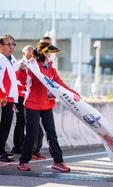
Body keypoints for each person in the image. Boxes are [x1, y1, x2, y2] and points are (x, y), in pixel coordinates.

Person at [17, 42, 79, 171]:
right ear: (44, 53)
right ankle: (23, 162)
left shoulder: (52, 70)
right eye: (50, 53)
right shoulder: (33, 65)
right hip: (32, 104)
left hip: (47, 105)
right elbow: (23, 81)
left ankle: (58, 162)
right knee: (32, 134)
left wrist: (75, 95)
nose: (52, 56)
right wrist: (22, 69)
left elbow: (61, 85)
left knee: (52, 134)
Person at [11, 45, 47, 160]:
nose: (31, 53)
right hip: (20, 96)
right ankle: (18, 146)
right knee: (21, 121)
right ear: (23, 53)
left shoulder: (34, 65)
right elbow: (15, 80)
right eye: (29, 51)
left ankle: (35, 149)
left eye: (33, 51)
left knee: (34, 125)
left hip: (30, 97)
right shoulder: (17, 65)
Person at [0, 34, 18, 165]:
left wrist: (14, 100)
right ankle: (0, 154)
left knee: (5, 127)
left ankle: (2, 152)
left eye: (13, 44)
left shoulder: (11, 59)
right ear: (1, 46)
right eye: (9, 44)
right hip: (4, 98)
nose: (12, 47)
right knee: (2, 127)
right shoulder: (0, 58)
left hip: (10, 99)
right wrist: (3, 94)